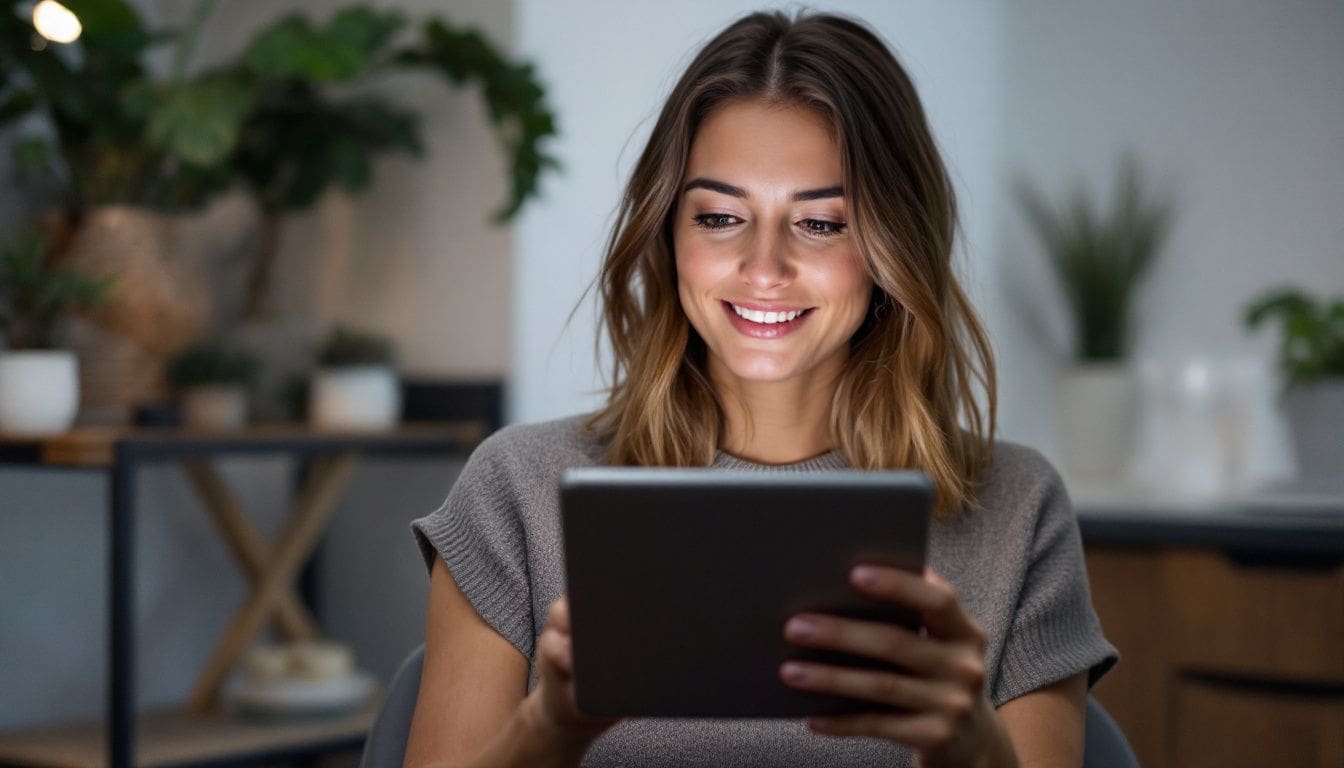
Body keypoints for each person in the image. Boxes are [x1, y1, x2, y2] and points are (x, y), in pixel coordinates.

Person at [405, 10, 1116, 768]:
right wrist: (550, 727)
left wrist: (972, 748)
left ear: (889, 248)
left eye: (819, 224)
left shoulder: (1016, 508)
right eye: (719, 216)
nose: (765, 267)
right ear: (667, 233)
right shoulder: (516, 493)